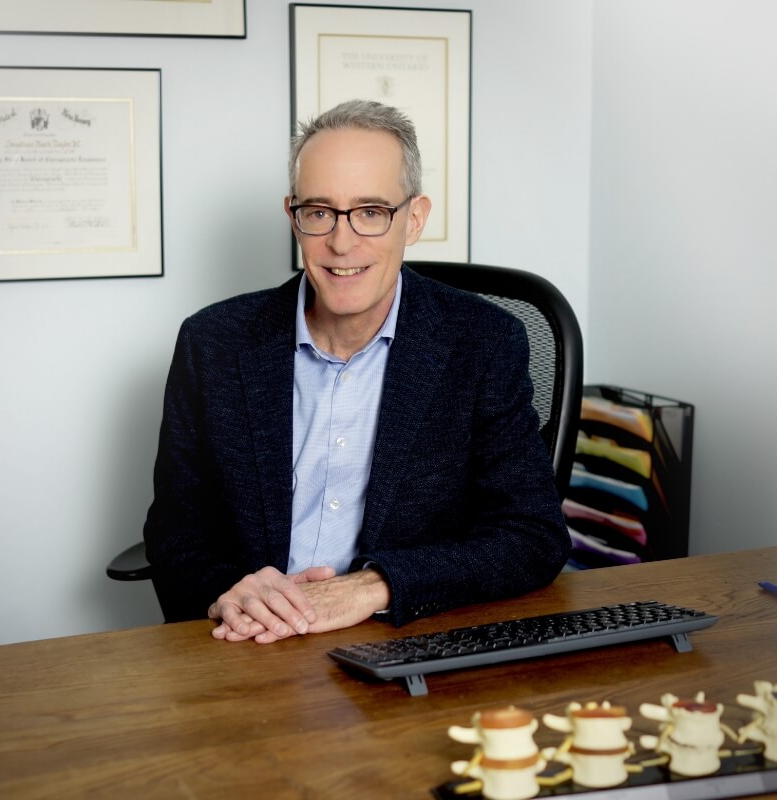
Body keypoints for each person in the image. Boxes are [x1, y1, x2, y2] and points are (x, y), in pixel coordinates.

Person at [142, 99, 569, 644]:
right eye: (319, 212)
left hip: (404, 638)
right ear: (292, 217)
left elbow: (532, 535)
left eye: (371, 212)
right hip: (250, 643)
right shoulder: (214, 343)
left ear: (413, 219)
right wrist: (230, 591)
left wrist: (374, 586)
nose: (342, 243)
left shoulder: (482, 343)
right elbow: (175, 530)